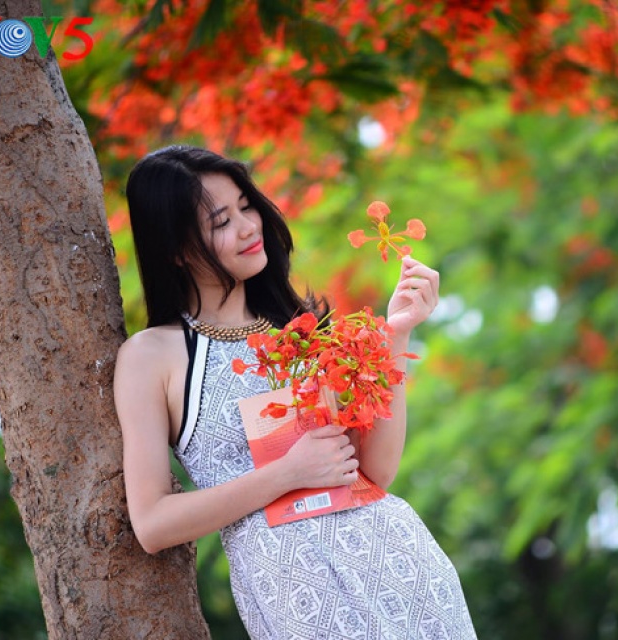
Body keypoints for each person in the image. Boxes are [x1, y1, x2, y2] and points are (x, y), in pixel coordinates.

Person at [114, 145, 477, 639]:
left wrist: (398, 334)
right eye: (222, 221)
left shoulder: (304, 332)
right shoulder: (152, 356)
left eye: (247, 206)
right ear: (176, 248)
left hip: (399, 566)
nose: (248, 226)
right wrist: (287, 473)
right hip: (294, 592)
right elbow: (152, 523)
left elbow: (374, 471)